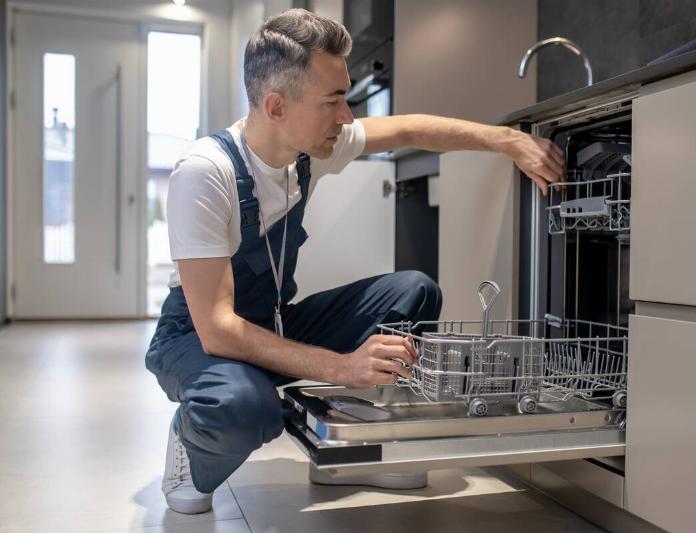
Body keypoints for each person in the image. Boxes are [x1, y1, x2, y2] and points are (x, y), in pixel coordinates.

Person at [145, 8, 565, 515]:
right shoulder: (204, 175)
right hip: (196, 338)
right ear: (276, 106)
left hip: (271, 322)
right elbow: (217, 330)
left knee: (413, 291)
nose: (346, 117)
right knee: (242, 407)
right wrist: (342, 367)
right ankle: (193, 438)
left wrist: (507, 139)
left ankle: (354, 452)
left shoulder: (311, 150)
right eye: (334, 101)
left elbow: (410, 128)